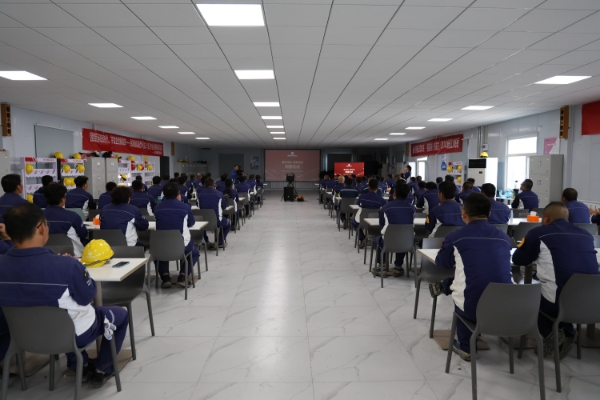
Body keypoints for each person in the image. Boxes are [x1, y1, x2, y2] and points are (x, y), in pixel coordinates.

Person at [0, 203, 128, 388]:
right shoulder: (66, 265)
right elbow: (87, 297)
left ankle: (80, 365)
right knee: (119, 315)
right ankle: (103, 368)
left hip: (22, 337)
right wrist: (79, 270)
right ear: (41, 228)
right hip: (69, 334)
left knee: (62, 313)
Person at [432, 193, 514, 361]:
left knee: (465, 286)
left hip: (473, 305)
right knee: (471, 276)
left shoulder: (456, 236)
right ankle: (445, 285)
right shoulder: (504, 237)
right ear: (489, 214)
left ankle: (467, 348)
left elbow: (442, 263)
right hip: (506, 306)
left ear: (464, 213)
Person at [513, 202, 599, 358]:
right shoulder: (586, 234)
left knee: (530, 297)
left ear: (546, 218)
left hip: (559, 300)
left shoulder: (539, 233)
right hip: (590, 303)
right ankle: (567, 332)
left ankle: (549, 334)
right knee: (560, 292)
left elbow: (519, 259)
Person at [154, 182, 200, 288]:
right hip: (181, 246)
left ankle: (165, 277)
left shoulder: (157, 207)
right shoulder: (185, 207)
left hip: (161, 246)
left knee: (159, 252)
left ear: (163, 194)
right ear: (178, 193)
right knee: (194, 253)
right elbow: (191, 223)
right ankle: (183, 275)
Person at [373, 183, 415, 277]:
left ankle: (381, 265)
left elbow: (381, 223)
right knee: (403, 237)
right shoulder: (412, 208)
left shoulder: (386, 207)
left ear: (394, 193)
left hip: (388, 241)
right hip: (407, 242)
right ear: (407, 195)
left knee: (379, 240)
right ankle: (398, 266)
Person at [43, 184, 88, 256]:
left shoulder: (37, 217)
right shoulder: (73, 216)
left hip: (45, 255)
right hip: (72, 256)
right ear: (63, 199)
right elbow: (83, 234)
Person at [197, 177, 230, 249]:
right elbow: (224, 207)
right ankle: (219, 242)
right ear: (214, 185)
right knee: (227, 224)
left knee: (201, 227)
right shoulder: (219, 194)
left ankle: (206, 241)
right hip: (217, 221)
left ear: (204, 185)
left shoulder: (200, 195)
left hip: (203, 221)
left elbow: (198, 207)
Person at [352, 178, 386, 248]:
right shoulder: (381, 200)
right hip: (376, 222)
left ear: (368, 187)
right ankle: (375, 239)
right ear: (377, 188)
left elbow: (358, 205)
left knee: (354, 222)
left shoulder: (362, 197)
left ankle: (362, 237)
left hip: (363, 221)